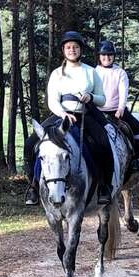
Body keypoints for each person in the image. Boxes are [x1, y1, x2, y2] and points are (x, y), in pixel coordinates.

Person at [24, 31, 114, 206]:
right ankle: (34, 185)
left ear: (81, 50)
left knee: (103, 143)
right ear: (63, 50)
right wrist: (62, 113)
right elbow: (52, 100)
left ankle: (104, 186)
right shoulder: (57, 74)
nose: (72, 50)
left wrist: (91, 98)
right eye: (68, 47)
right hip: (61, 116)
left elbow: (102, 99)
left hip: (84, 115)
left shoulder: (91, 72)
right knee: (31, 143)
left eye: (75, 47)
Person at [94, 40, 139, 172]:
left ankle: (138, 160)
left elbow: (123, 91)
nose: (107, 57)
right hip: (98, 111)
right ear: (99, 56)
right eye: (104, 55)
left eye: (110, 54)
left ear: (114, 56)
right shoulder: (94, 72)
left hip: (117, 110)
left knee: (137, 127)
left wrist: (121, 108)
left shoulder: (120, 72)